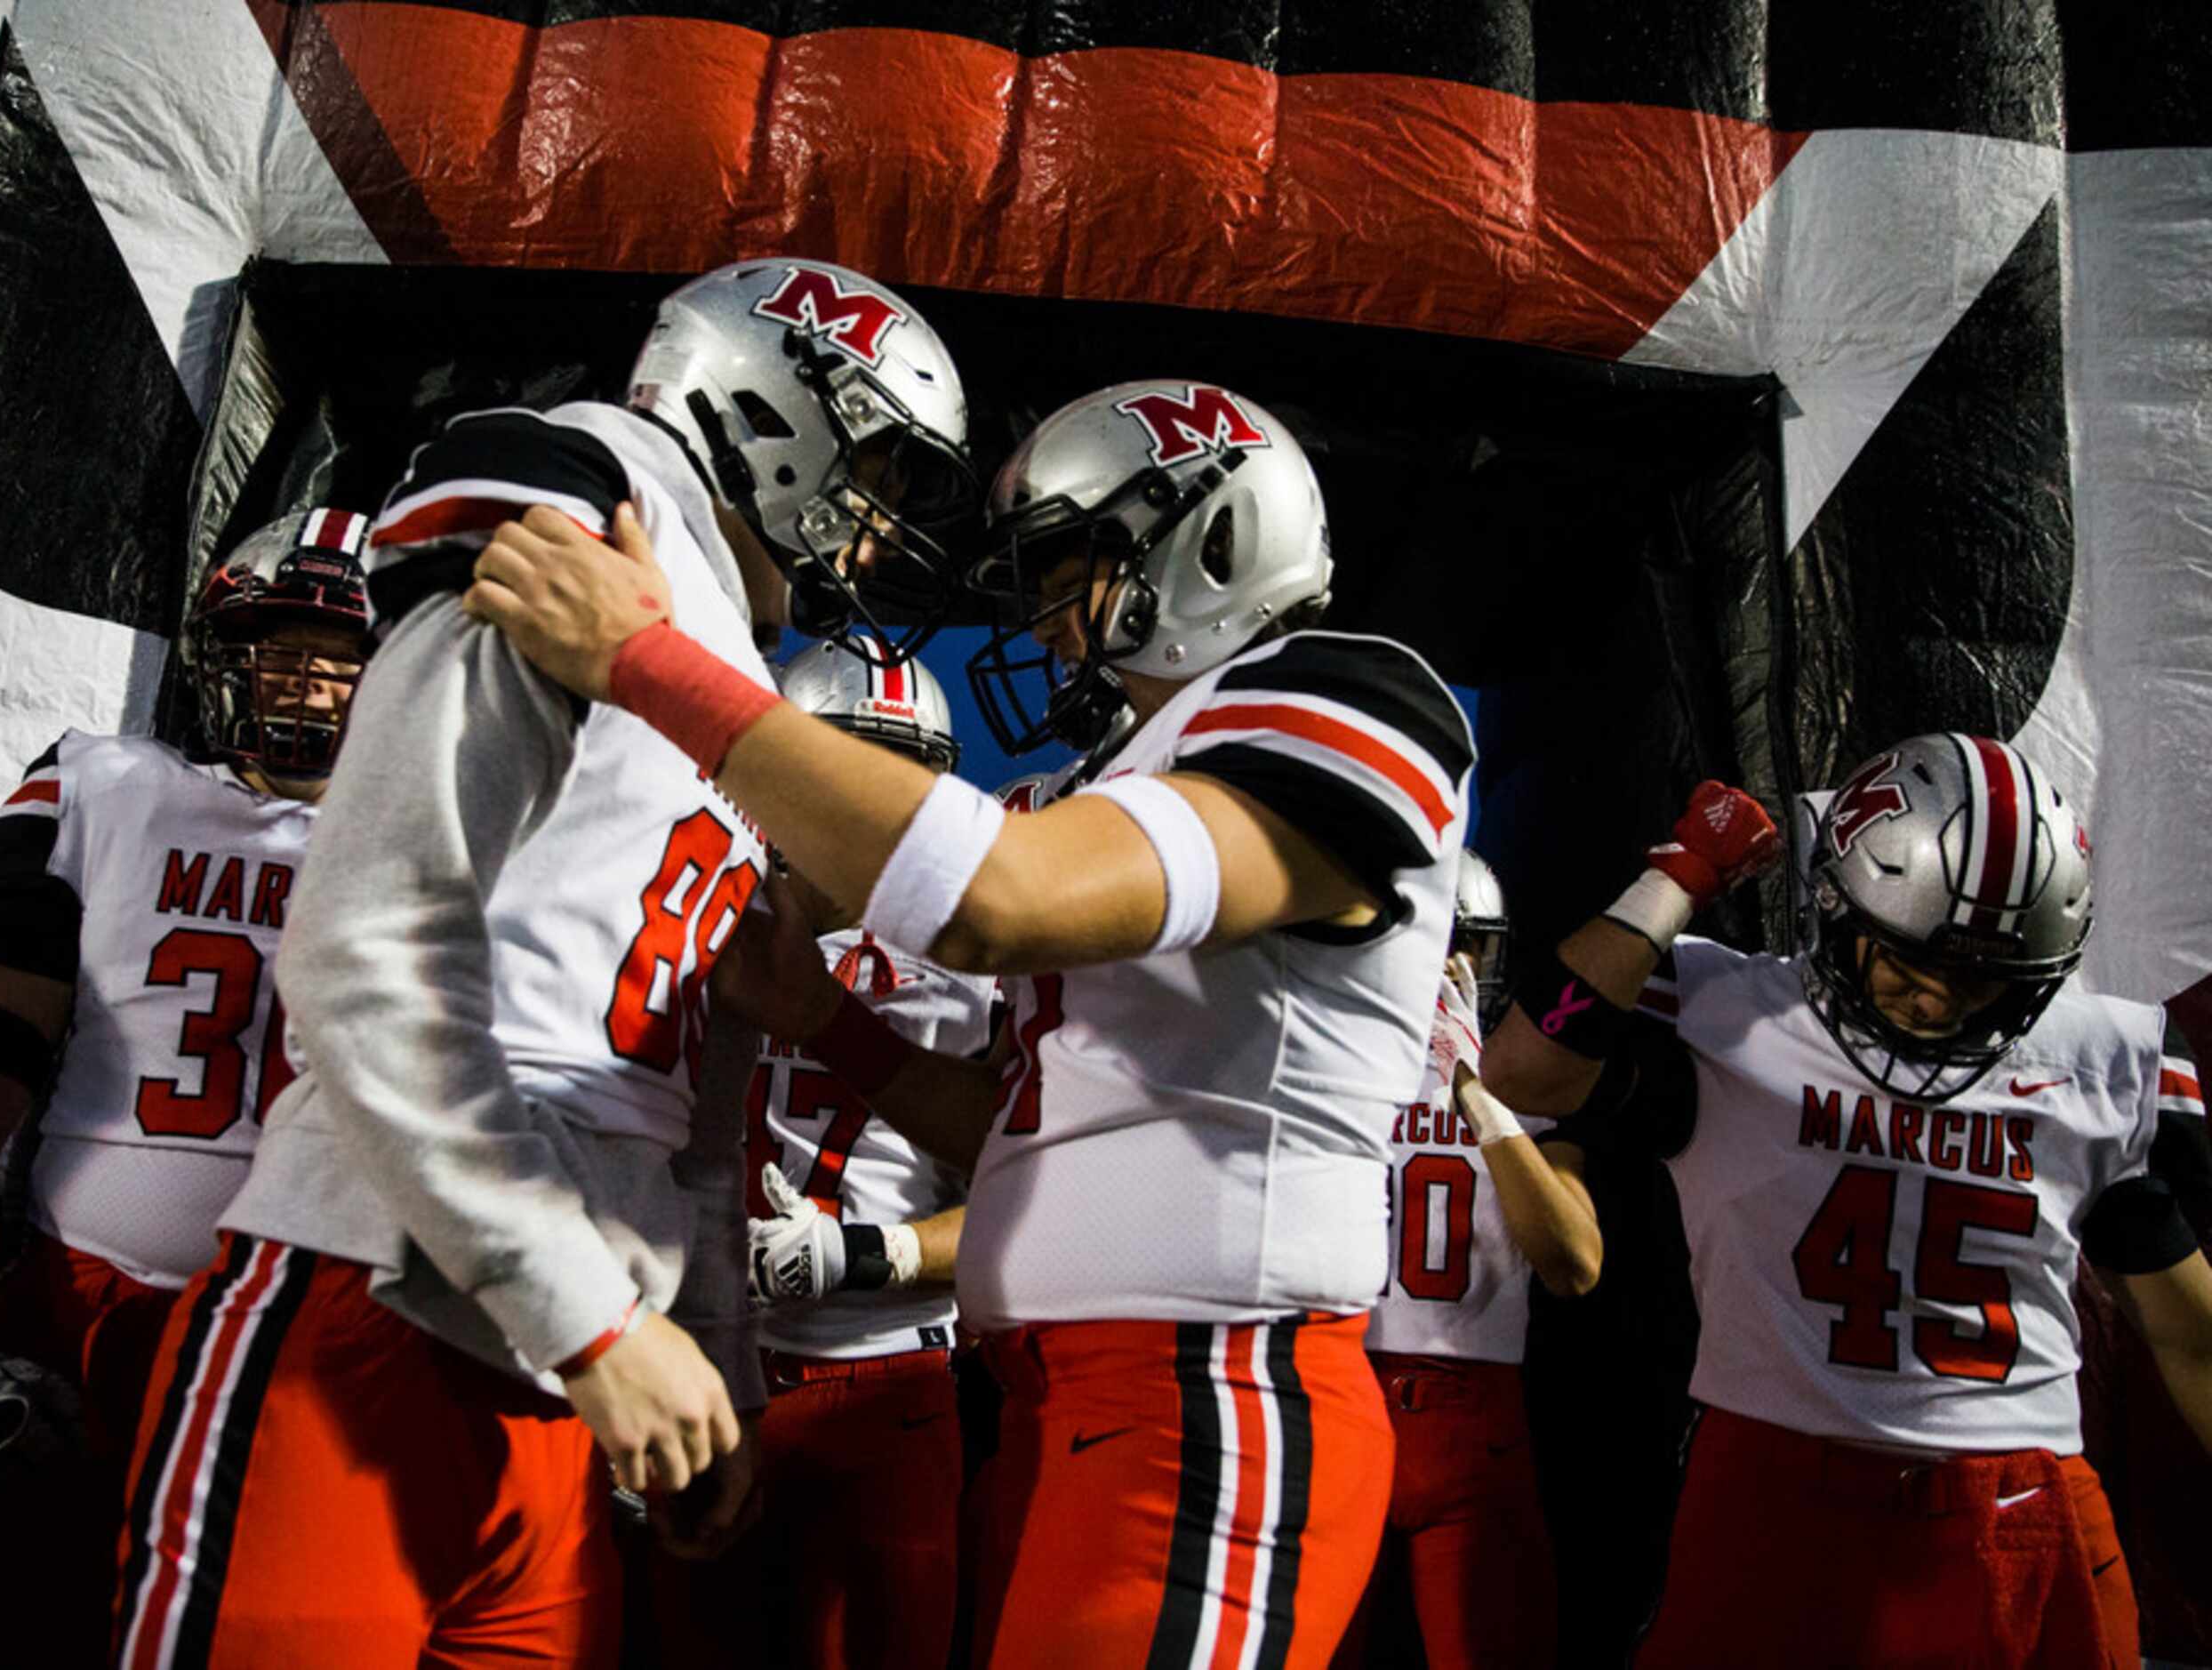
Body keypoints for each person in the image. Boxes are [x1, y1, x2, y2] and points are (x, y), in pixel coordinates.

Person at [462, 380, 1476, 1666]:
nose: (1049, 624)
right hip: (1069, 1397)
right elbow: (1015, 1132)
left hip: (1214, 1385)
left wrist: (656, 666)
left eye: (1072, 566)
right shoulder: (1139, 764)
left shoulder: (1345, 691)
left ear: (1208, 539)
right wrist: (827, 1017)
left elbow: (999, 898)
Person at [112, 259, 975, 1669]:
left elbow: (694, 1102)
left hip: (582, 1359)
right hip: (381, 1293)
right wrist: (595, 1325)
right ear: (770, 404)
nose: (876, 536)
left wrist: (705, 1357)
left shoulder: (720, 664)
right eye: (873, 466)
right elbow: (367, 939)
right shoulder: (578, 508)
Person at [1480, 737, 2212, 1669]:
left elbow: (2184, 1330)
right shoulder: (1731, 1018)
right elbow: (1520, 1068)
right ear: (1832, 907)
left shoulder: (2095, 1064)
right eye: (1906, 962)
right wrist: (1677, 876)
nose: (1936, 1002)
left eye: (1981, 979)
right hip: (1771, 1484)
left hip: (2015, 1503)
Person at [0, 509, 373, 1668]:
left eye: (343, 650)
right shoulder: (109, 790)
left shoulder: (456, 852)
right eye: (278, 641)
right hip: (84, 1318)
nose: (304, 675)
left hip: (322, 1348)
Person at [641, 638, 993, 1670]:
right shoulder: (688, 915)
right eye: (843, 767)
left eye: (899, 779)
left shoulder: (977, 961)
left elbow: (1033, 1204)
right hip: (690, 1374)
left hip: (880, 1390)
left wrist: (864, 1256)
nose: (866, 806)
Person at [1346, 850, 1599, 1669]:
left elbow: (1575, 1263)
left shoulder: (1525, 1082)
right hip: (1330, 1394)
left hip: (1473, 1426)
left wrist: (1474, 1089)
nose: (1448, 968)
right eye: (1426, 942)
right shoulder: (1317, 1069)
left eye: (1469, 945)